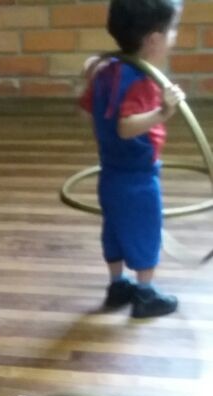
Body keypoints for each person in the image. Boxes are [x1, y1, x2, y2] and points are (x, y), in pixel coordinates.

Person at [80, 0, 185, 318]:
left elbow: (89, 112)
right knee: (145, 230)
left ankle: (117, 286)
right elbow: (126, 127)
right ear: (154, 39)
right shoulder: (141, 80)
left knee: (114, 228)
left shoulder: (106, 71)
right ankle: (145, 293)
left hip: (111, 170)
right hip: (138, 175)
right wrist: (163, 111)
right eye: (172, 30)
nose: (175, 36)